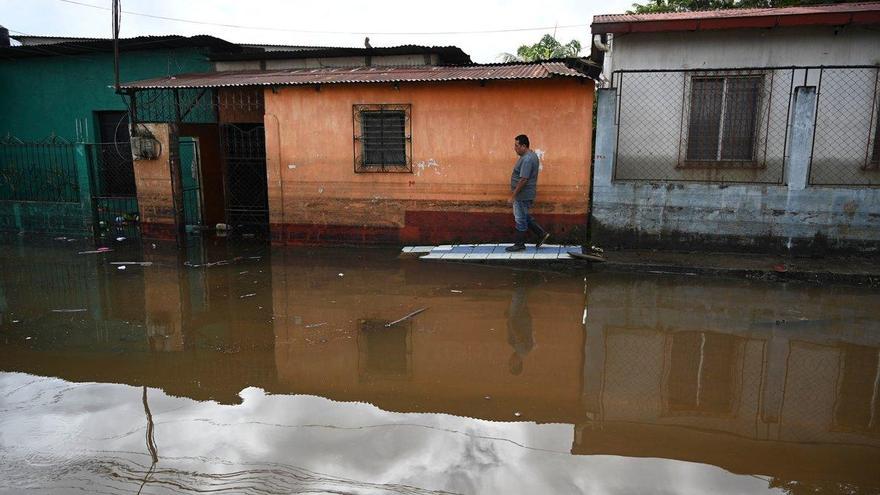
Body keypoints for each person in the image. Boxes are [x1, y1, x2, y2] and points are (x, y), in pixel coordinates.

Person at [506, 134, 549, 252]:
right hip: (525, 194)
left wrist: (513, 195)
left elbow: (524, 179)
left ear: (524, 146)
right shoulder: (529, 155)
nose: (515, 148)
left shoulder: (527, 159)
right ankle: (541, 234)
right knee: (524, 216)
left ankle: (519, 244)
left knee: (520, 219)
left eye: (516, 146)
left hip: (522, 195)